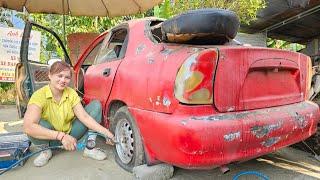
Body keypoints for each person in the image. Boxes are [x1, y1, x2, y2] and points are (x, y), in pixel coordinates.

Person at [23, 61, 115, 167]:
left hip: (71, 134)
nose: (63, 80)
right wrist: (61, 136)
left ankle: (90, 148)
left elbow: (84, 117)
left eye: (67, 77)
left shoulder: (71, 93)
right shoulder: (39, 95)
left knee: (95, 106)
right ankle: (45, 151)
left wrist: (106, 132)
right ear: (50, 75)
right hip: (49, 138)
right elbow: (28, 127)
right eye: (60, 76)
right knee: (35, 122)